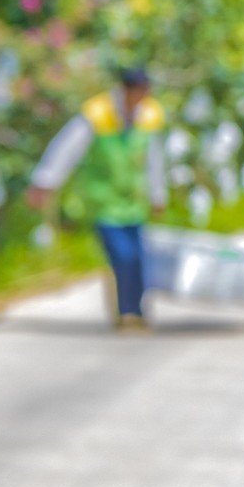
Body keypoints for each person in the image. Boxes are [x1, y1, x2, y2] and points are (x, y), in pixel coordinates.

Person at [26, 67, 168, 331]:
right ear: (129, 90)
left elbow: (153, 159)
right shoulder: (97, 113)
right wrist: (45, 183)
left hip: (133, 202)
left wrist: (158, 194)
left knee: (138, 257)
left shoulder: (149, 115)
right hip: (103, 201)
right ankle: (125, 312)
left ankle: (136, 311)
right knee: (122, 256)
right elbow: (66, 149)